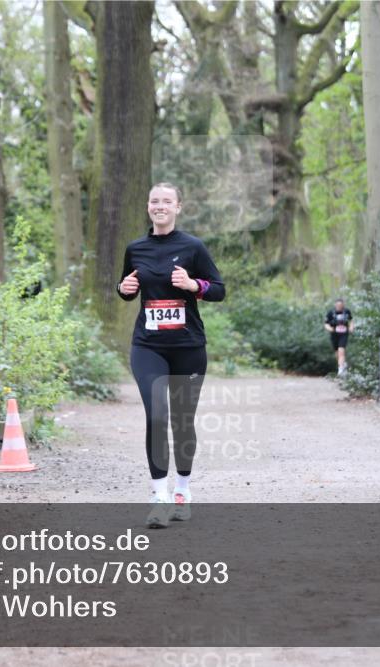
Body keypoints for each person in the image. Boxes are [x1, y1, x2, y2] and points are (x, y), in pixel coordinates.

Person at [117, 182, 225, 528]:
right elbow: (127, 288)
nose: (159, 206)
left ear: (178, 207)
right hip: (148, 346)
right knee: (157, 415)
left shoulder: (193, 247)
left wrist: (195, 286)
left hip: (188, 347)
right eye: (154, 201)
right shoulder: (136, 248)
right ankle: (158, 497)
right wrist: (123, 289)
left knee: (181, 420)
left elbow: (219, 289)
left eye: (166, 201)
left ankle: (182, 491)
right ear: (148, 207)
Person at [324, 298, 353, 377]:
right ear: (335, 305)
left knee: (341, 350)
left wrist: (351, 327)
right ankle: (342, 364)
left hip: (344, 334)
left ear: (343, 305)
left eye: (341, 305)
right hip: (334, 334)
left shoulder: (347, 311)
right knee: (337, 353)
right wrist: (330, 329)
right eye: (338, 305)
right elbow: (326, 324)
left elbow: (351, 320)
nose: (339, 306)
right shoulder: (331, 313)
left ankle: (340, 369)